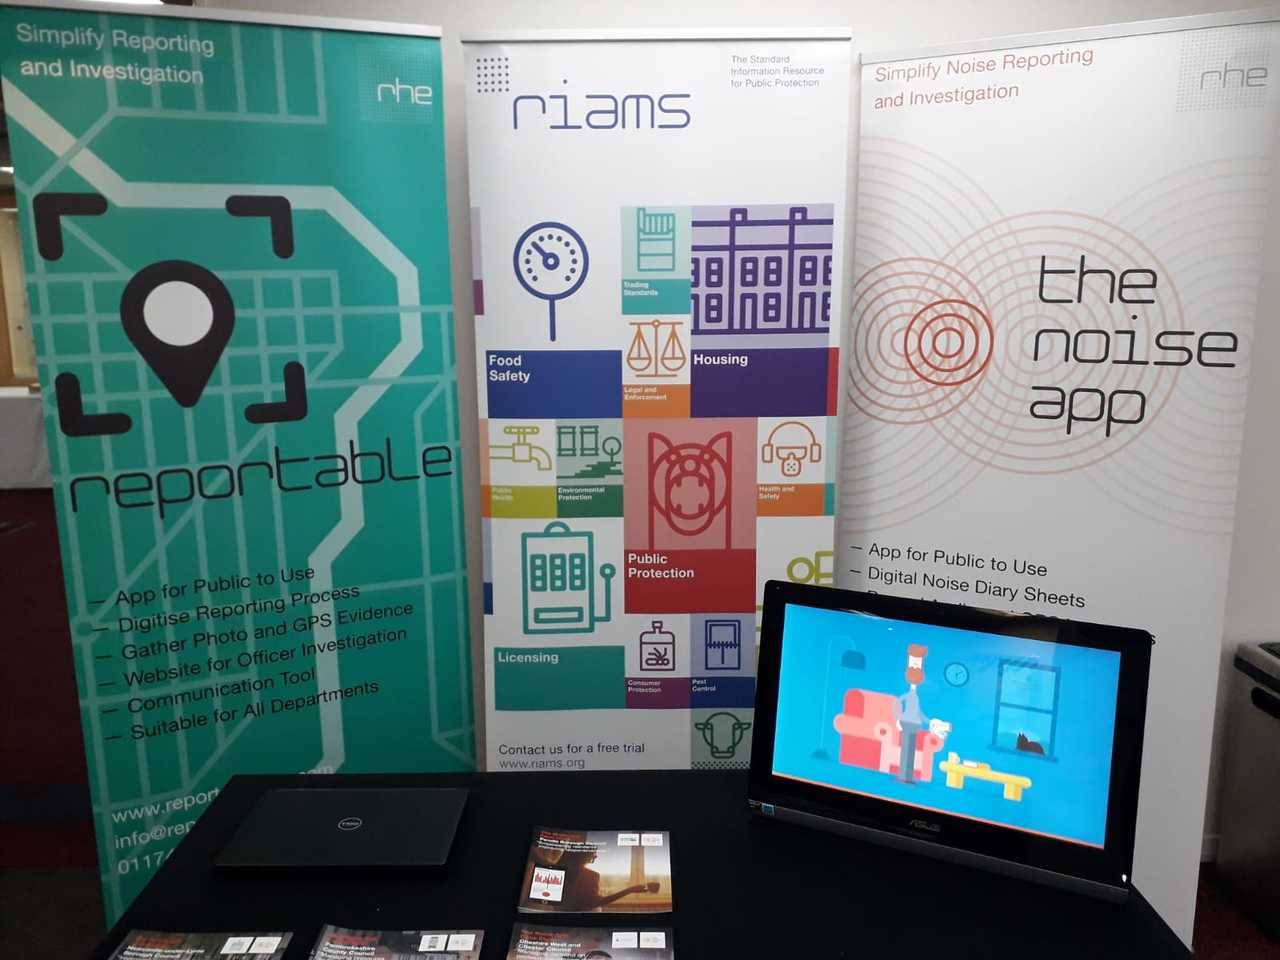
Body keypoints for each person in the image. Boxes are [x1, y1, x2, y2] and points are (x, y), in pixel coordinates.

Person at [892, 644, 948, 784]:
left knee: (910, 750)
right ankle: (904, 776)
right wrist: (897, 719)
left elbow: (918, 712)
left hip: (914, 724)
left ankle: (907, 776)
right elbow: (897, 706)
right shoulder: (906, 696)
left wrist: (930, 722)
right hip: (906, 723)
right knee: (906, 749)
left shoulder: (915, 697)